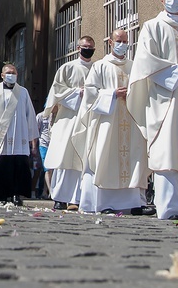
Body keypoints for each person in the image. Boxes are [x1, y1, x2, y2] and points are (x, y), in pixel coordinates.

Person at [127, 0, 178, 220]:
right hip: (165, 99)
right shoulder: (152, 26)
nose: (174, 0)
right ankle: (168, 209)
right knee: (167, 152)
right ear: (162, 0)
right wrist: (176, 71)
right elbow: (145, 61)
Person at [77, 29, 151, 215]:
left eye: (125, 41)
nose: (122, 43)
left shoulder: (134, 66)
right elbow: (90, 92)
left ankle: (134, 203)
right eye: (119, 40)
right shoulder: (100, 66)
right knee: (106, 157)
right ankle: (106, 204)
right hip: (107, 122)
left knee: (133, 158)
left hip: (131, 121)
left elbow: (144, 90)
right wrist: (112, 94)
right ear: (110, 42)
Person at [43, 36, 96, 210]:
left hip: (89, 119)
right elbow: (56, 92)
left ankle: (78, 199)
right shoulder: (67, 68)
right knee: (64, 159)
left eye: (91, 47)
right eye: (85, 46)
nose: (88, 49)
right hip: (69, 119)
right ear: (78, 48)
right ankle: (59, 197)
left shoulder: (98, 68)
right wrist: (77, 93)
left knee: (84, 161)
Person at [0, 63, 39, 206]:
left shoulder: (23, 92)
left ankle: (16, 194)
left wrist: (32, 139)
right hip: (0, 135)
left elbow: (29, 114)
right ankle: (0, 194)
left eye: (14, 72)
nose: (11, 75)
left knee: (18, 165)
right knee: (1, 165)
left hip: (19, 135)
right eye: (8, 72)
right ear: (2, 75)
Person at [35, 110, 52, 199]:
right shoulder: (40, 116)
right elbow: (35, 131)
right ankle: (51, 192)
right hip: (43, 144)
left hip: (53, 144)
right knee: (47, 168)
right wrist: (34, 146)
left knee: (50, 170)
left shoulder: (55, 115)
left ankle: (45, 191)